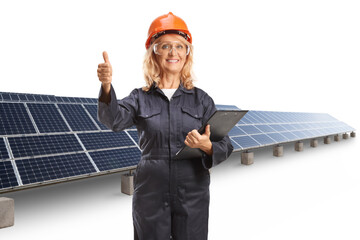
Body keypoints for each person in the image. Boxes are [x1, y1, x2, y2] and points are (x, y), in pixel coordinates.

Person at [97, 12, 233, 240]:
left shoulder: (201, 100)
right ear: (154, 53)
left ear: (187, 54)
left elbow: (225, 145)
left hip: (193, 188)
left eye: (180, 47)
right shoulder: (140, 97)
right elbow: (114, 120)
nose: (174, 53)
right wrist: (107, 87)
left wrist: (208, 146)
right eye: (166, 46)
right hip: (151, 189)